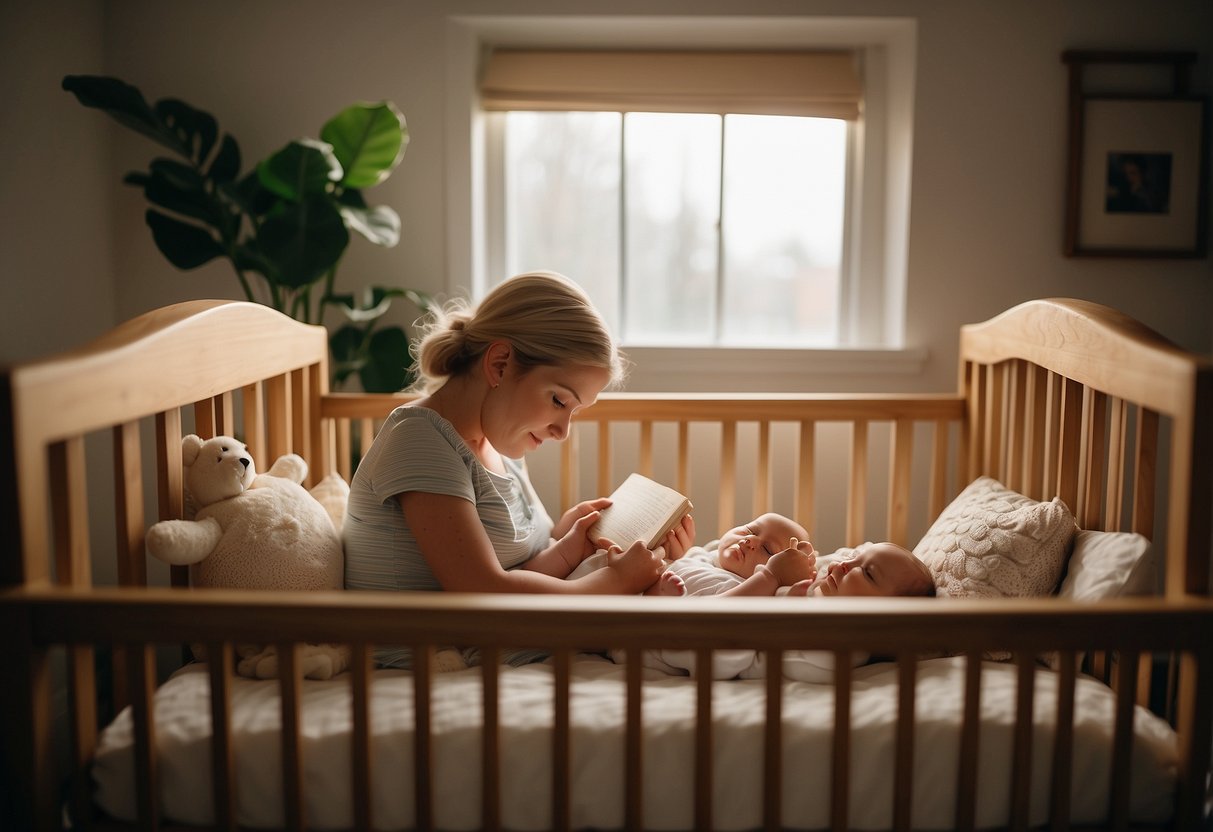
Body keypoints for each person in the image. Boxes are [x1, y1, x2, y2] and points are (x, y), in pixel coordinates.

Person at [342, 271, 668, 668]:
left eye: (575, 411)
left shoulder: (499, 443)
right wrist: (614, 583)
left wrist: (571, 544)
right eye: (559, 401)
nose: (563, 431)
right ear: (499, 364)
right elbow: (482, 590)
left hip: (500, 640)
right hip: (429, 661)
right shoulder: (420, 439)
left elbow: (516, 572)